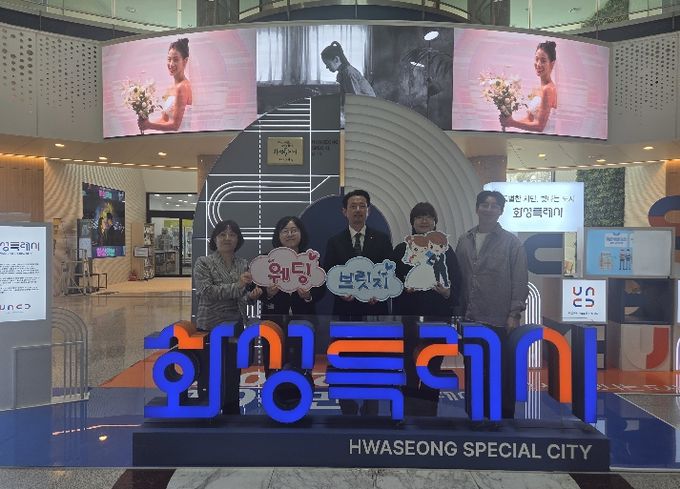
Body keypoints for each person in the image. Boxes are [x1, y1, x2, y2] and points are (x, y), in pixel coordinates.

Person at [455, 190, 529, 418]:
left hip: (499, 319)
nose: (489, 209)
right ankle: (475, 414)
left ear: (501, 211)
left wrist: (514, 314)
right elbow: (458, 278)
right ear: (477, 208)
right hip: (470, 318)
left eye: (494, 205)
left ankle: (500, 418)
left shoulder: (512, 243)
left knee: (500, 370)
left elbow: (520, 280)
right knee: (473, 369)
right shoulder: (464, 240)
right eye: (484, 205)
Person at [323, 189, 392, 415]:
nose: (358, 210)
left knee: (373, 361)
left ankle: (371, 409)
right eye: (353, 206)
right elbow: (328, 276)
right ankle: (348, 409)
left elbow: (389, 274)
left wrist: (379, 292)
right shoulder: (334, 242)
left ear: (368, 211)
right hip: (345, 312)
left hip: (374, 312)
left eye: (362, 206)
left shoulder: (382, 239)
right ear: (344, 211)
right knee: (345, 361)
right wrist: (340, 292)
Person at [392, 202, 462, 416]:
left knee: (432, 367)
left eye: (428, 217)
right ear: (412, 222)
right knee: (409, 367)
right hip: (408, 318)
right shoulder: (401, 249)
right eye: (419, 217)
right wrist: (403, 288)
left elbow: (457, 283)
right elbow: (391, 283)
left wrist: (447, 293)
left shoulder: (445, 250)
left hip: (437, 318)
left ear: (435, 222)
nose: (424, 221)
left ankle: (430, 413)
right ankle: (408, 412)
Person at [194, 220, 262, 414]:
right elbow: (206, 292)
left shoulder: (243, 264)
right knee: (209, 372)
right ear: (215, 239)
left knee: (232, 372)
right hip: (210, 326)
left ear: (238, 239)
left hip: (235, 326)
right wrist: (238, 286)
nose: (227, 238)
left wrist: (251, 297)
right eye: (222, 234)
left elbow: (242, 298)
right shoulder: (203, 262)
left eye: (232, 234)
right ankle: (208, 410)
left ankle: (232, 410)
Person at [261, 216, 316, 409]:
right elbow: (254, 289)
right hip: (274, 324)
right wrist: (268, 293)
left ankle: (300, 405)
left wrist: (309, 295)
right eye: (285, 230)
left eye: (294, 230)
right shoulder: (266, 259)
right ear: (278, 235)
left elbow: (322, 288)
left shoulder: (311, 259)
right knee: (274, 364)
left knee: (301, 364)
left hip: (304, 323)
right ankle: (275, 405)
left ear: (301, 233)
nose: (290, 234)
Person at [500, 41, 557, 134]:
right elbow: (529, 119)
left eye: (543, 61)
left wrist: (512, 123)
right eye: (536, 59)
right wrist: (509, 122)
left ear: (552, 64)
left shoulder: (548, 89)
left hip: (544, 140)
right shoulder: (538, 89)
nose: (538, 64)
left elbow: (540, 126)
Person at [138, 37, 193, 133]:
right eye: (169, 59)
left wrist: (149, 125)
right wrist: (146, 124)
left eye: (175, 60)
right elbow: (164, 120)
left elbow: (175, 126)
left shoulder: (182, 87)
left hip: (181, 139)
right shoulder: (170, 88)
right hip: (168, 139)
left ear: (185, 61)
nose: (171, 64)